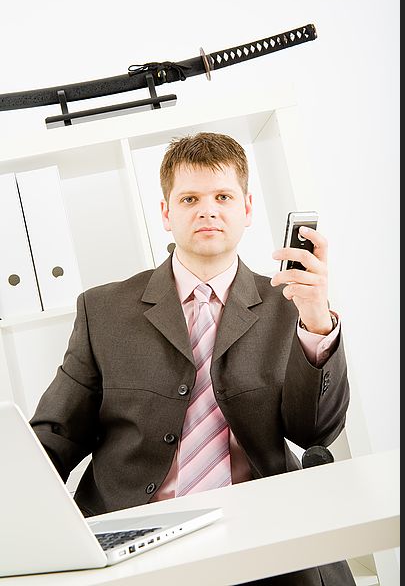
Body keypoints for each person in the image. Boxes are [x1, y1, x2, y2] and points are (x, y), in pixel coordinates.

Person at [30, 132, 354, 585]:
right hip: (136, 539)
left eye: (223, 195)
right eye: (189, 198)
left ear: (247, 208)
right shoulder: (102, 310)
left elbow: (316, 431)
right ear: (166, 213)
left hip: (264, 532)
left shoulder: (291, 305)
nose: (208, 210)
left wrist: (318, 322)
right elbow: (55, 436)